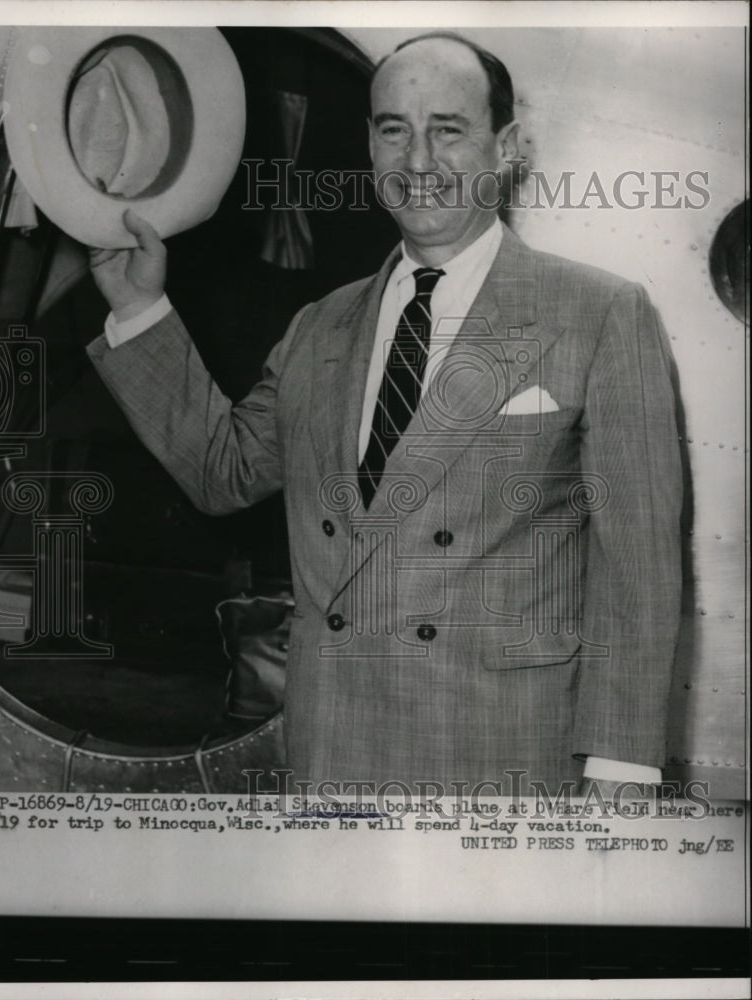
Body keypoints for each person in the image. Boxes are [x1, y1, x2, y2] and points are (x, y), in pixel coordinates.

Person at [87, 33, 683, 797]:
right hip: (335, 751)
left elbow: (637, 567)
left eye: (449, 129)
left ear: (504, 148)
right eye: (394, 129)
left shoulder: (599, 314)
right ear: (370, 145)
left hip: (505, 756)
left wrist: (623, 762)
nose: (419, 162)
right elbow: (222, 471)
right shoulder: (321, 326)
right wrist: (139, 309)